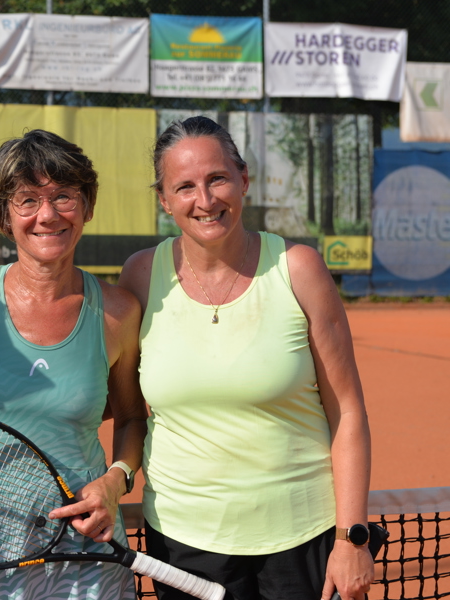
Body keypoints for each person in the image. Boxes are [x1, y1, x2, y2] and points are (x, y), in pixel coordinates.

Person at [118, 116, 373, 600]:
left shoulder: (298, 268)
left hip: (303, 538)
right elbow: (123, 406)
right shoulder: (140, 275)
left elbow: (349, 411)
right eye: (185, 186)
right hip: (182, 542)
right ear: (164, 200)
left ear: (243, 180)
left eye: (217, 178)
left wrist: (351, 538)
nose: (206, 200)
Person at [0, 130, 147, 600]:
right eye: (27, 200)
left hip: (88, 541)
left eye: (64, 197)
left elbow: (132, 415)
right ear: (3, 215)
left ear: (88, 206)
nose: (48, 214)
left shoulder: (119, 311)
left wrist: (115, 481)